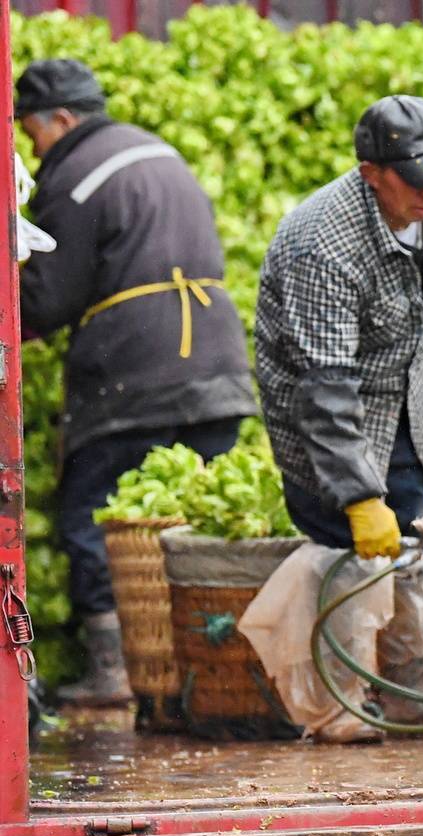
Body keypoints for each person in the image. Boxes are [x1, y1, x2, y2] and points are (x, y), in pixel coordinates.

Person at [15, 58, 257, 706]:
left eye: (30, 132)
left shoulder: (75, 174)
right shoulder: (158, 152)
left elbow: (46, 299)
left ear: (60, 120)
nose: (32, 147)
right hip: (215, 360)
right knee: (201, 521)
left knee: (92, 515)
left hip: (136, 368)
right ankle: (213, 669)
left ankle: (113, 672)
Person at [254, 94, 423, 741]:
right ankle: (337, 705)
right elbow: (326, 386)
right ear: (372, 171)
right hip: (328, 410)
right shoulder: (322, 244)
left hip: (406, 387)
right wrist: (355, 493)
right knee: (348, 550)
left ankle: (411, 693)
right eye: (416, 179)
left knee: (412, 540)